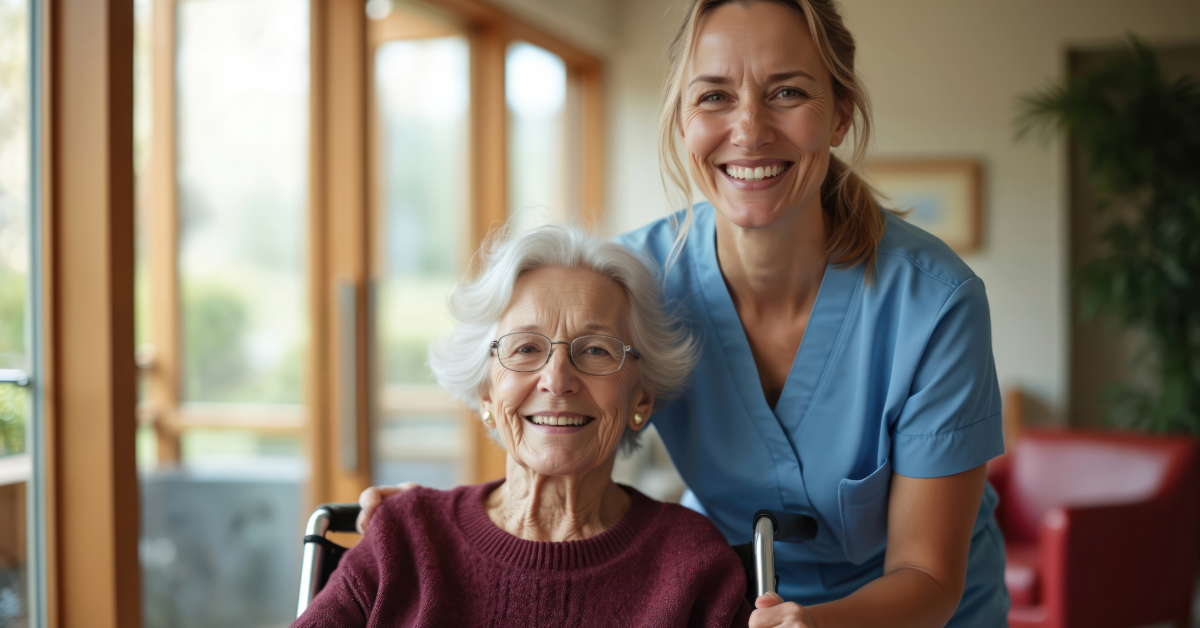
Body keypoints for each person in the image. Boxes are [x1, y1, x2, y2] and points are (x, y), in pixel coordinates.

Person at [359, 1, 1008, 626]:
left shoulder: (934, 303)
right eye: (714, 96)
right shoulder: (634, 282)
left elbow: (929, 577)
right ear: (681, 122)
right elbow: (559, 415)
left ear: (839, 116)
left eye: (787, 93)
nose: (749, 129)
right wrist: (440, 521)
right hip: (724, 599)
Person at [295, 225, 753, 627]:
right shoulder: (405, 536)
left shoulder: (692, 563)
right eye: (526, 348)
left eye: (596, 350)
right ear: (488, 395)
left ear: (642, 398)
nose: (557, 379)